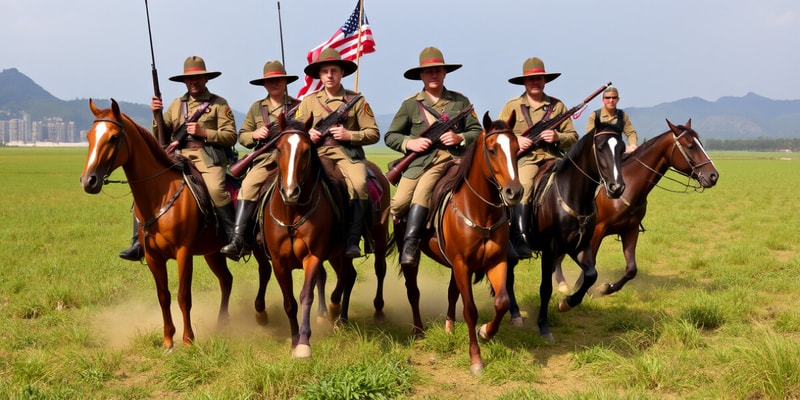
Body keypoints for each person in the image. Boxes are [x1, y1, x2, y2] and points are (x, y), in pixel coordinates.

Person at [120, 55, 238, 261]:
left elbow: (231, 136)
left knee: (216, 190)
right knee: (147, 189)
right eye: (190, 79)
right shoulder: (176, 105)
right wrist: (156, 114)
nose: (194, 82)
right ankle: (138, 242)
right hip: (177, 155)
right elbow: (161, 134)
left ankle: (233, 238)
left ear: (206, 79)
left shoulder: (220, 104)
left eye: (198, 78)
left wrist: (204, 132)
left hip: (207, 157)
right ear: (184, 81)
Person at [384, 46, 482, 266]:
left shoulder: (460, 101)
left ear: (445, 73)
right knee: (398, 204)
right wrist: (411, 142)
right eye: (429, 72)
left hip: (454, 159)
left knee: (493, 187)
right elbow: (391, 136)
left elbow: (478, 132)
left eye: (438, 70)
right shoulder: (411, 104)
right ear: (421, 75)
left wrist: (460, 138)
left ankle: (411, 244)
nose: (434, 75)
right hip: (421, 162)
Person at [294, 47, 379, 258]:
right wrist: (308, 135)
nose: (329, 75)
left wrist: (349, 135)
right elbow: (295, 132)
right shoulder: (308, 101)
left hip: (348, 155)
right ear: (319, 75)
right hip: (318, 154)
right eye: (325, 71)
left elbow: (374, 133)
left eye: (334, 70)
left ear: (342, 73)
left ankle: (354, 239)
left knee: (359, 185)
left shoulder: (357, 100)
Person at [499, 57, 578, 259]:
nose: (535, 82)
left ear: (545, 81)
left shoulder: (557, 106)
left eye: (539, 78)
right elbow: (498, 136)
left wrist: (557, 136)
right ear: (524, 82)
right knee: (522, 189)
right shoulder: (512, 106)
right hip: (526, 160)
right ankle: (520, 238)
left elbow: (573, 136)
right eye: (531, 79)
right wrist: (517, 139)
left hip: (554, 158)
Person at [221, 60, 300, 260]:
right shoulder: (257, 108)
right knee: (247, 186)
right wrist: (255, 134)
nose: (274, 84)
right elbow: (242, 136)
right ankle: (239, 239)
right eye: (269, 81)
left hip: (292, 157)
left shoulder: (299, 107)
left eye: (278, 80)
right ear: (264, 84)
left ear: (285, 81)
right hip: (265, 159)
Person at [585, 86, 638, 153]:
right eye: (607, 98)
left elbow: (631, 133)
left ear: (618, 99)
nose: (611, 100)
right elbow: (589, 137)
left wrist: (632, 145)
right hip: (600, 152)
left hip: (618, 152)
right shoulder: (595, 116)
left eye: (614, 97)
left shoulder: (622, 115)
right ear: (603, 100)